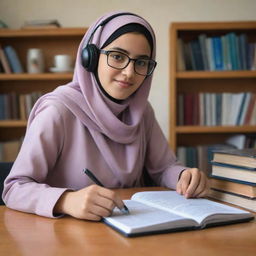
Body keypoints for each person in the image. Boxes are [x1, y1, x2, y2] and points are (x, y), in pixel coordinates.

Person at [2, 11, 208, 221]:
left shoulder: (142, 111)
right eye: (118, 56)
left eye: (141, 62)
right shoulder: (58, 111)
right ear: (90, 57)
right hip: (68, 235)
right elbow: (14, 188)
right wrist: (66, 200)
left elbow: (163, 168)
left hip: (133, 227)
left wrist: (183, 177)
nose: (129, 72)